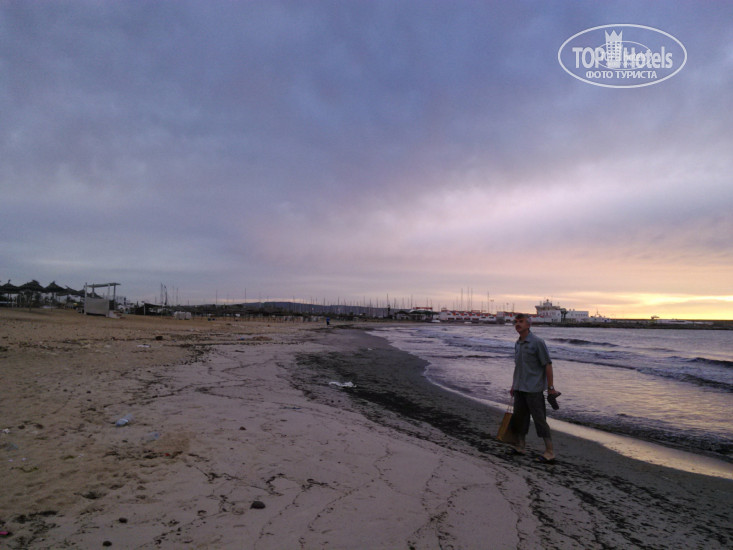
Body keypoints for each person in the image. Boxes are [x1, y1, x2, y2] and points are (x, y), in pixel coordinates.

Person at [509, 313, 559, 463]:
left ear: (529, 324)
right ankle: (520, 446)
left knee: (539, 420)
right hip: (520, 388)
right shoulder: (518, 343)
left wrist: (550, 387)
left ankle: (550, 452)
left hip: (534, 389)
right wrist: (513, 385)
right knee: (519, 418)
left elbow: (547, 365)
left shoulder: (537, 342)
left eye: (521, 321)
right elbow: (518, 367)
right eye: (516, 322)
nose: (518, 324)